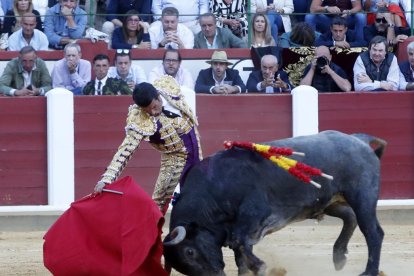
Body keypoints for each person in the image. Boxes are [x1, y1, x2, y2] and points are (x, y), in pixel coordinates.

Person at [93, 76, 203, 214]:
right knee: (158, 202)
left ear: (158, 96)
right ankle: (152, 234)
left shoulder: (167, 86)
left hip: (195, 146)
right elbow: (126, 149)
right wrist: (107, 178)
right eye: (147, 110)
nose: (153, 112)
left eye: (154, 107)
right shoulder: (139, 119)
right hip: (174, 159)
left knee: (199, 194)